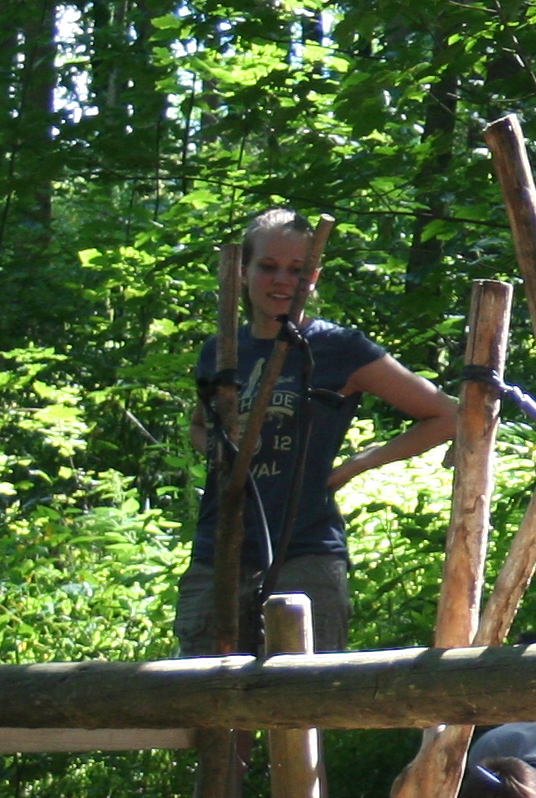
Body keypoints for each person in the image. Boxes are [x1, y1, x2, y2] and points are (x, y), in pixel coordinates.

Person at [179, 209, 457, 656]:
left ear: (314, 277)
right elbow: (199, 426)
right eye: (268, 266)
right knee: (204, 691)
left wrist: (354, 465)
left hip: (304, 552)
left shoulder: (338, 348)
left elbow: (448, 415)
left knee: (302, 692)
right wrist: (221, 450)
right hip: (218, 554)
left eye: (297, 269)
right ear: (243, 270)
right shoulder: (221, 350)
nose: (282, 281)